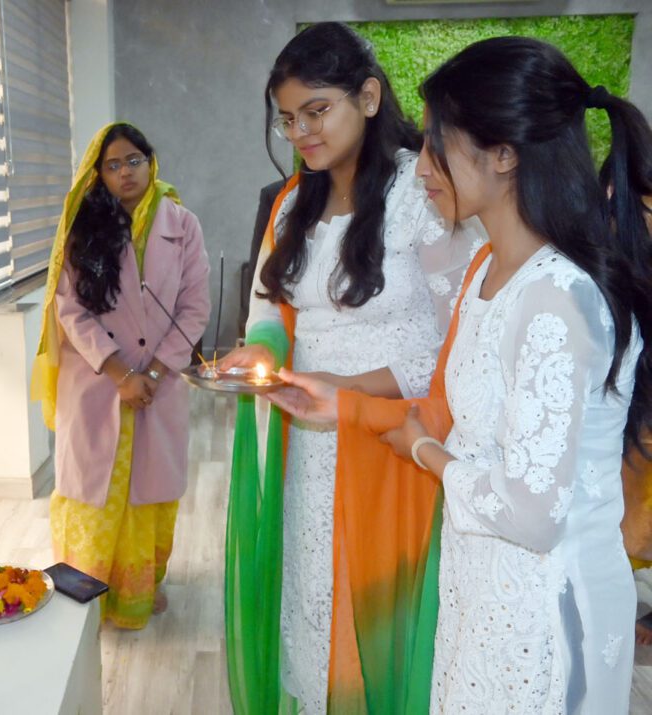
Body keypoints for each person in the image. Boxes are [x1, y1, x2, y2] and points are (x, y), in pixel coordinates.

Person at [267, 36, 652, 713]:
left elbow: (532, 515)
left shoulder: (559, 301)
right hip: (478, 587)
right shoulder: (484, 273)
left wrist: (427, 454)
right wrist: (343, 404)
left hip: (550, 611)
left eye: (440, 147)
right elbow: (444, 408)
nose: (421, 171)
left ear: (504, 155)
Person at [218, 23, 479, 713]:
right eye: (287, 118)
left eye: (316, 110)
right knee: (310, 593)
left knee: (373, 615)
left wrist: (347, 390)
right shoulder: (290, 204)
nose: (301, 132)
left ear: (367, 97)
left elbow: (456, 342)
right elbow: (268, 306)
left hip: (390, 440)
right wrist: (264, 354)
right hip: (306, 440)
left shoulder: (422, 194)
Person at [31, 123, 210, 629]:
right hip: (95, 380)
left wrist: (151, 371)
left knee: (149, 491)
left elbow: (194, 307)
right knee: (93, 490)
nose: (125, 172)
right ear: (99, 173)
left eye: (134, 160)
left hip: (160, 381)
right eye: (113, 165)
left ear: (151, 161)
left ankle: (137, 590)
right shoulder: (82, 225)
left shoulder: (183, 224)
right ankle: (87, 594)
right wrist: (119, 373)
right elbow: (70, 307)